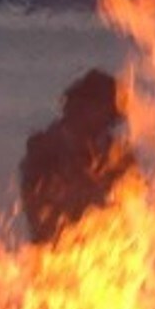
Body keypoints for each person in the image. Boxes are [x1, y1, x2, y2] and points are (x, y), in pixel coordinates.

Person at [20, 68, 136, 244]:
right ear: (82, 106)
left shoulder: (117, 153)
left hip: (106, 248)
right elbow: (38, 205)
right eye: (100, 108)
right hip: (59, 250)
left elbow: (135, 201)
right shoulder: (46, 147)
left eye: (109, 114)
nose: (105, 120)